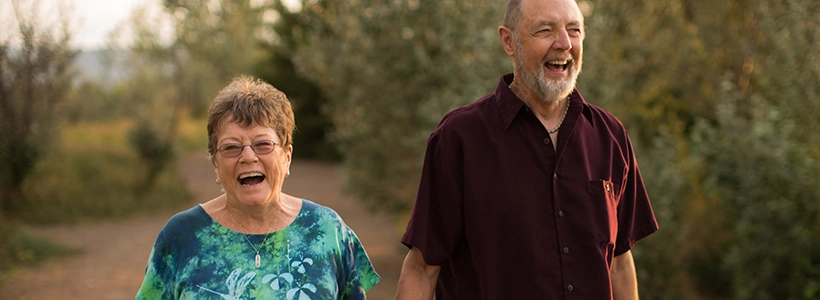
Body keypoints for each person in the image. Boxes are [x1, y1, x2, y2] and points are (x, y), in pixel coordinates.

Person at [394, 0, 658, 299]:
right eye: (545, 30)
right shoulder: (459, 139)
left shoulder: (611, 137)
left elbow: (619, 264)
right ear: (509, 41)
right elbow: (422, 269)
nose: (564, 44)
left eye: (574, 30)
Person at [136, 76, 380, 299]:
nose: (248, 157)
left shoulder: (327, 230)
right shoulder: (181, 236)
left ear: (287, 157)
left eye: (262, 144)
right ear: (215, 164)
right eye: (231, 147)